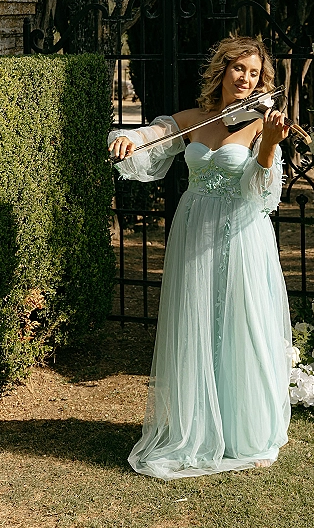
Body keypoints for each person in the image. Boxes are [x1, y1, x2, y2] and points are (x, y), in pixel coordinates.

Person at [108, 36, 292, 480]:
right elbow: (158, 134)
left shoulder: (260, 123)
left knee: (240, 322)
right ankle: (197, 423)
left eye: (254, 73)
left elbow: (259, 191)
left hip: (242, 232)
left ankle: (248, 431)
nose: (246, 79)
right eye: (238, 69)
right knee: (198, 322)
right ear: (222, 71)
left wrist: (268, 142)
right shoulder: (197, 118)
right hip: (194, 228)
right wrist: (131, 139)